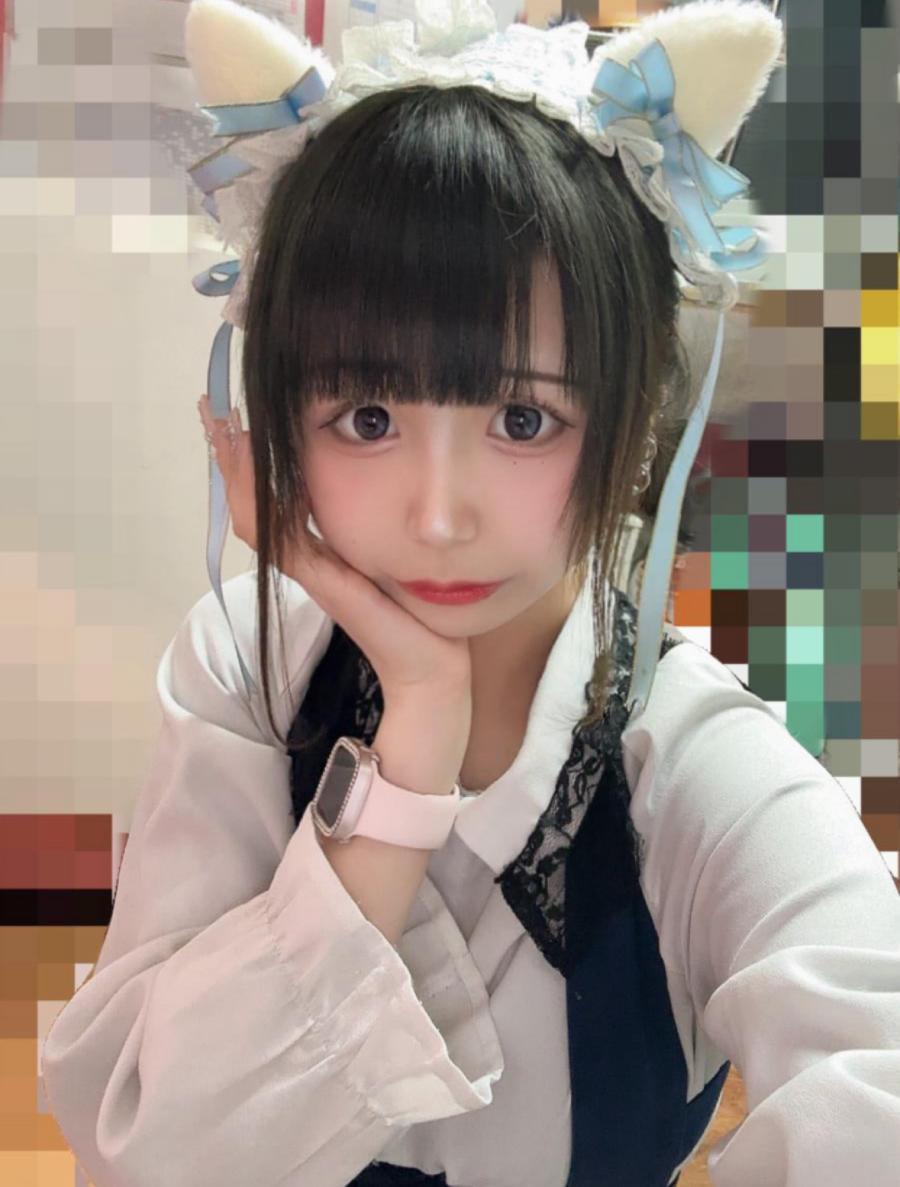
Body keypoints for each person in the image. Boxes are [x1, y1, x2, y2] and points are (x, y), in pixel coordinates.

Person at [40, 3, 900, 1186]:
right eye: (368, 417)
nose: (439, 515)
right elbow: (147, 1145)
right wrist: (413, 745)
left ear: (633, 415)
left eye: (522, 418)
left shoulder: (690, 757)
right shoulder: (249, 665)